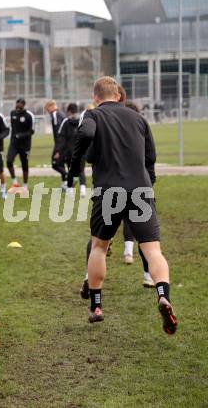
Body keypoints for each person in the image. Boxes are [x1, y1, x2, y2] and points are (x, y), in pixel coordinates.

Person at [69, 76, 177, 335]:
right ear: (118, 95)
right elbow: (150, 157)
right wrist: (147, 182)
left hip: (109, 191)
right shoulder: (138, 118)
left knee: (99, 246)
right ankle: (163, 294)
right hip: (140, 190)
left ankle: (96, 306)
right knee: (153, 251)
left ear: (96, 97)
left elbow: (85, 134)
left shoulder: (93, 115)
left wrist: (75, 164)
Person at [56, 103, 86, 198]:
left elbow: (61, 138)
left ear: (69, 111)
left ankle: (70, 191)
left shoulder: (66, 122)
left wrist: (58, 151)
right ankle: (83, 190)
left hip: (69, 152)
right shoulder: (83, 120)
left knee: (71, 171)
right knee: (81, 171)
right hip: (81, 151)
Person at [6, 98, 35, 192]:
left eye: (19, 107)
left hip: (25, 145)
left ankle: (25, 186)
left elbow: (31, 131)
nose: (17, 109)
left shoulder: (29, 115)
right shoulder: (12, 113)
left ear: (23, 106)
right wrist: (15, 136)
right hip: (14, 143)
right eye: (16, 107)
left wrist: (21, 135)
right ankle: (15, 182)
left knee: (24, 165)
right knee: (9, 161)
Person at [44, 100, 67, 190]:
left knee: (55, 164)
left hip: (60, 144)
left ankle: (68, 177)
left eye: (47, 109)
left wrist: (58, 149)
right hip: (65, 143)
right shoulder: (61, 113)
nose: (47, 112)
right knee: (61, 164)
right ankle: (64, 184)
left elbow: (59, 132)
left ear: (51, 106)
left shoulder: (55, 115)